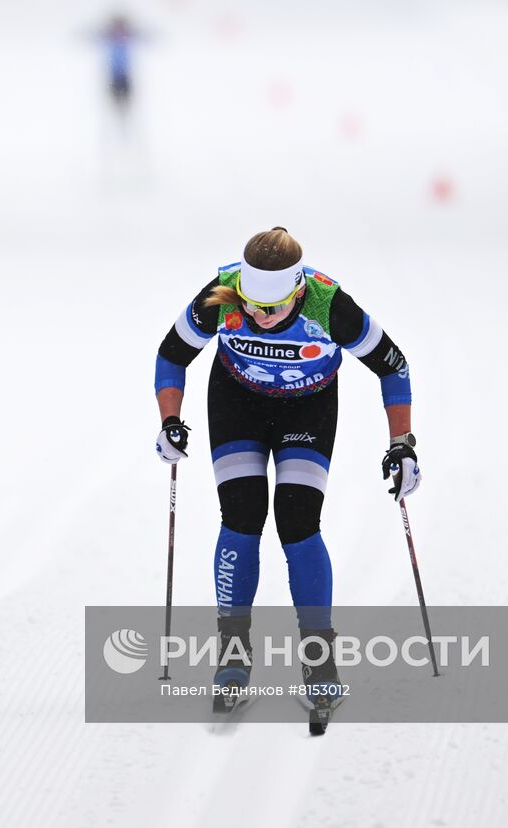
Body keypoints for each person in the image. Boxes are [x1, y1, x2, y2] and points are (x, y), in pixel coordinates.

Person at [152, 226, 420, 721]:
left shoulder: (329, 305)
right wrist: (170, 422)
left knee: (296, 519)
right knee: (242, 514)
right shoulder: (222, 297)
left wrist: (402, 445)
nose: (259, 316)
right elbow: (172, 355)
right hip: (237, 403)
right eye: (252, 305)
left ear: (298, 291)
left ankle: (320, 662)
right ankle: (233, 656)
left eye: (272, 308)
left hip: (307, 411)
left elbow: (393, 366)